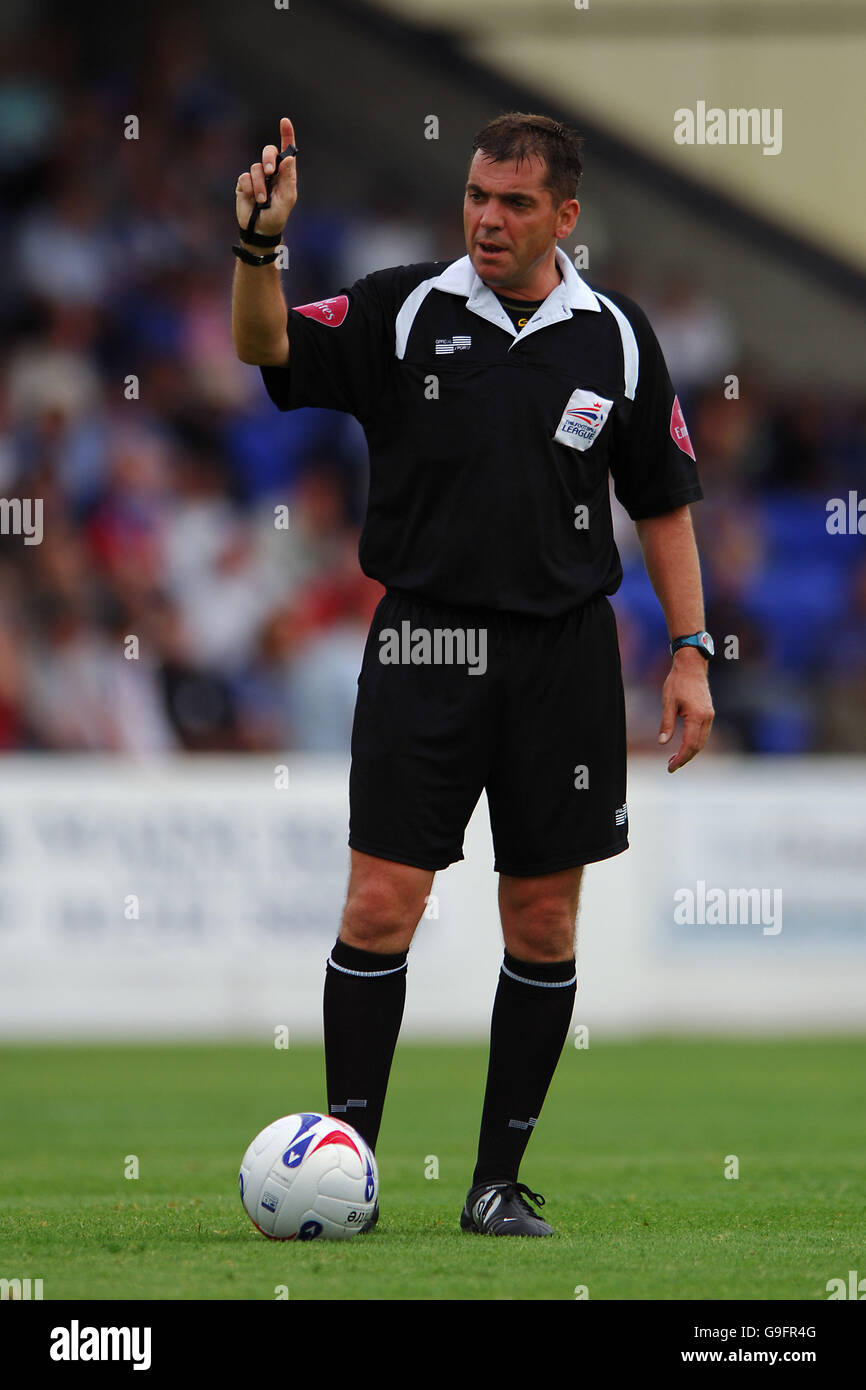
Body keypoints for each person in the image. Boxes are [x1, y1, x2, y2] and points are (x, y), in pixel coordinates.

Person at [232, 112, 715, 1237]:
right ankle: (348, 1160)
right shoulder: (403, 305)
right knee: (379, 902)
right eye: (474, 197)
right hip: (424, 643)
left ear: (563, 216)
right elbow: (267, 349)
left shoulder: (618, 337)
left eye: (511, 203)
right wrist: (258, 251)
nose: (486, 219)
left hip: (565, 656)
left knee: (542, 921)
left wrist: (690, 651)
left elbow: (662, 505)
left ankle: (495, 1184)